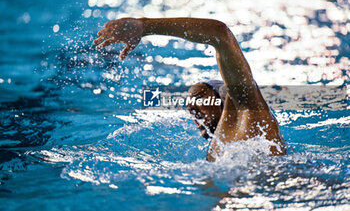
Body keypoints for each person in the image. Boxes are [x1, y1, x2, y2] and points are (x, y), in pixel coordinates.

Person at [93, 17, 286, 161]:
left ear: (224, 97)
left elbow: (220, 34)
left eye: (199, 98)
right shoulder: (220, 147)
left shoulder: (251, 116)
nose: (191, 110)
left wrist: (146, 26)